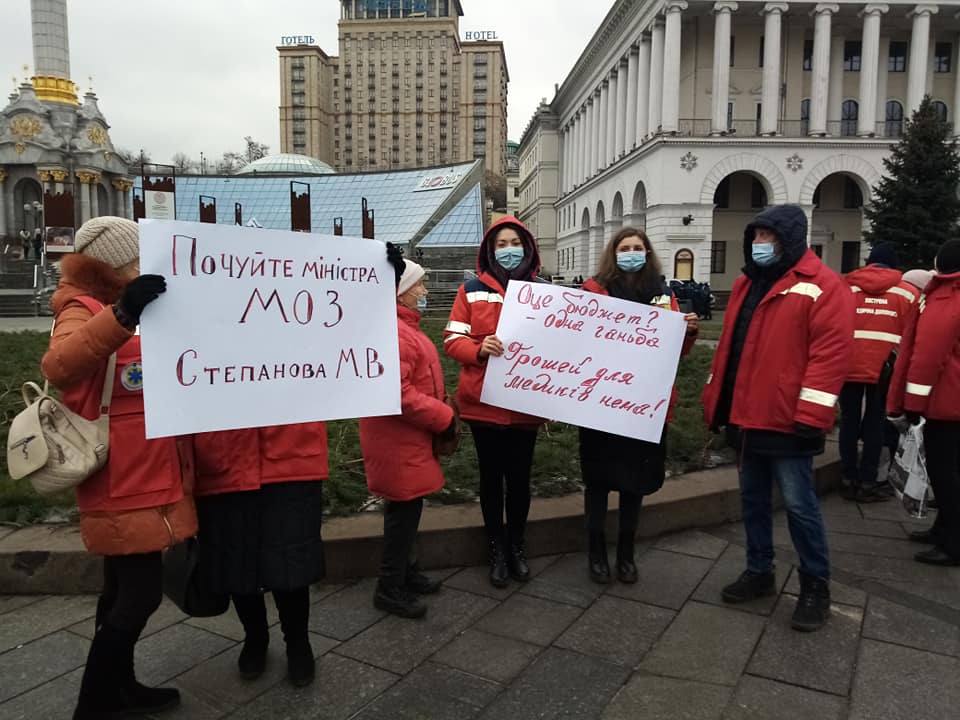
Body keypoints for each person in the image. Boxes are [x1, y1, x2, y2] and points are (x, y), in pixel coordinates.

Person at [40, 216, 196, 718]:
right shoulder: (82, 306)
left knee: (120, 592)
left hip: (147, 469)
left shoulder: (132, 302)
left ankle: (120, 687)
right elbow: (60, 366)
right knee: (141, 594)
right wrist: (122, 314)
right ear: (114, 262)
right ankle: (94, 703)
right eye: (134, 258)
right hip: (120, 475)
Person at [702, 205, 854, 632]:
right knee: (752, 501)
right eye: (756, 236)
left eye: (768, 237)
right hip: (747, 416)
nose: (759, 244)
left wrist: (811, 413)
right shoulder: (745, 283)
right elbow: (730, 348)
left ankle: (815, 585)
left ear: (789, 240)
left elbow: (830, 357)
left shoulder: (823, 286)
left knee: (801, 506)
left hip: (789, 418)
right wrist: (717, 402)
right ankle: (759, 570)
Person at [580, 229, 699, 583]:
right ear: (613, 254)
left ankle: (627, 554)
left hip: (644, 406)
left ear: (647, 252)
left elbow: (675, 352)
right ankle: (597, 553)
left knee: (635, 483)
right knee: (598, 483)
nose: (631, 253)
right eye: (624, 248)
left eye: (637, 248)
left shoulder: (663, 295)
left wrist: (688, 333)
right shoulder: (594, 290)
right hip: (600, 404)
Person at [444, 216, 543, 588]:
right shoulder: (469, 291)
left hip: (525, 407)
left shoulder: (544, 291)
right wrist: (477, 349)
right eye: (500, 243)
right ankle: (495, 548)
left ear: (527, 246)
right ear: (489, 249)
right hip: (483, 406)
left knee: (519, 481)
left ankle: (516, 546)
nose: (507, 249)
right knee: (491, 479)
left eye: (513, 241)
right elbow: (452, 339)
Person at [193, 419, 328, 686]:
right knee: (237, 558)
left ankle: (298, 642)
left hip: (288, 449)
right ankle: (255, 637)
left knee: (290, 558)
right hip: (222, 454)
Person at [360, 245, 456, 618]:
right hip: (398, 442)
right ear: (399, 291)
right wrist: (443, 415)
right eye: (420, 286)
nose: (426, 292)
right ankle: (389, 586)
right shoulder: (396, 333)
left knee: (408, 511)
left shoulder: (404, 328)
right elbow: (396, 394)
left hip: (406, 440)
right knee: (402, 516)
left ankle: (406, 572)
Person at [886, 239, 960, 566]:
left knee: (945, 474)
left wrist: (912, 404)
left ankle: (953, 543)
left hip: (946, 403)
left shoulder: (946, 297)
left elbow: (927, 357)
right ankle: (943, 530)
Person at [839, 242, 919, 502]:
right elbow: (913, 334)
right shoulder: (907, 293)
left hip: (847, 364)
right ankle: (868, 482)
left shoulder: (846, 288)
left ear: (869, 262)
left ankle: (847, 477)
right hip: (886, 368)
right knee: (875, 423)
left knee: (849, 422)